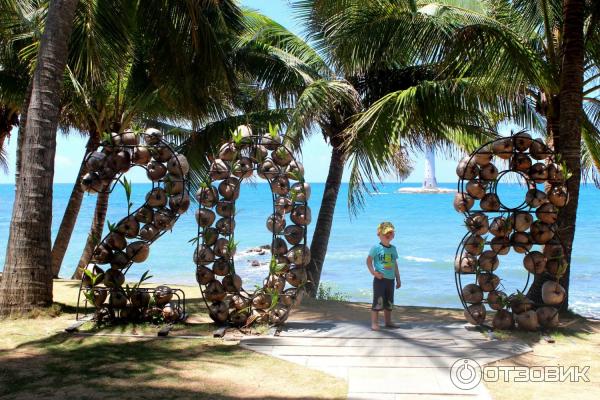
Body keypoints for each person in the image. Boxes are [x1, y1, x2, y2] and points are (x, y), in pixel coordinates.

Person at [366, 221, 401, 330]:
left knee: (389, 302)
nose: (388, 235)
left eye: (390, 233)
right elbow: (368, 261)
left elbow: (395, 264)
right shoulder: (376, 248)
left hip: (391, 280)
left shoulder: (393, 249)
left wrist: (398, 279)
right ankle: (374, 323)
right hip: (380, 280)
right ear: (379, 234)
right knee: (378, 301)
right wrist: (373, 273)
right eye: (386, 233)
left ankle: (388, 321)